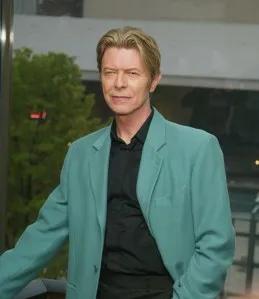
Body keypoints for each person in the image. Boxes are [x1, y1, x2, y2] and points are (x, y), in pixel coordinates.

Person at [0, 26, 235, 299]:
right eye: (110, 72)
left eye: (132, 73)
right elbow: (40, 238)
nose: (119, 83)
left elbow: (215, 246)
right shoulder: (81, 154)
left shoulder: (198, 148)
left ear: (153, 80)